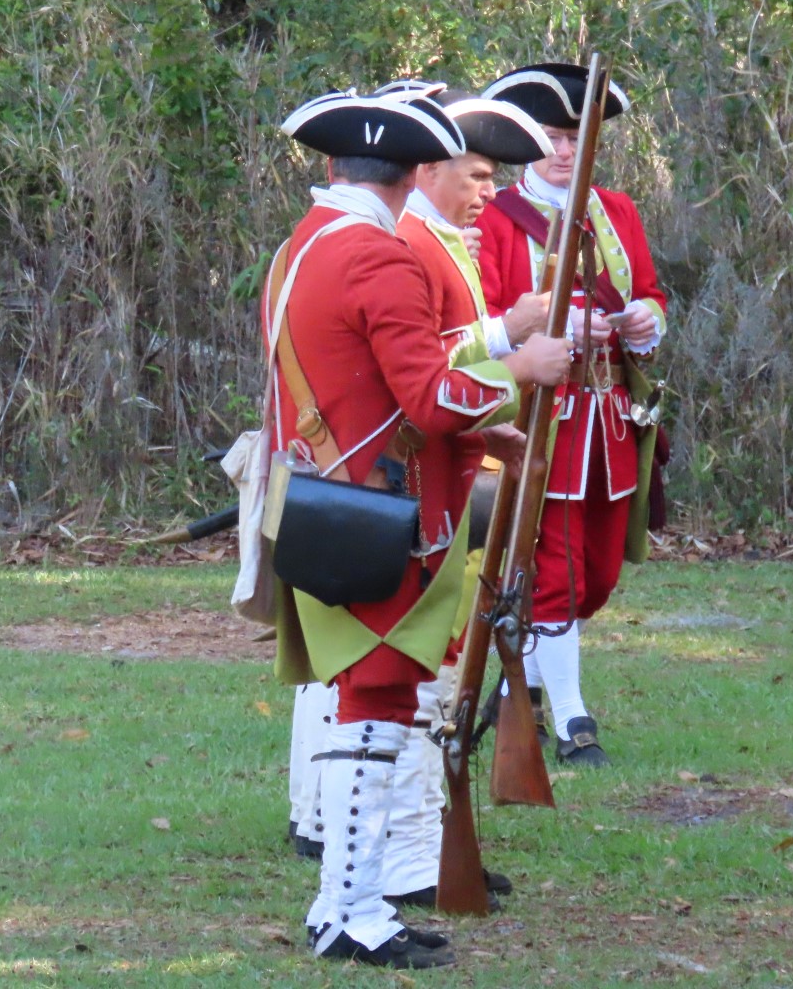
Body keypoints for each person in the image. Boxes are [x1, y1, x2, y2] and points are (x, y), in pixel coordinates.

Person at [268, 88, 572, 968]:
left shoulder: (307, 242)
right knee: (376, 708)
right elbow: (430, 395)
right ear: (410, 176)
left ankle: (348, 902)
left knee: (368, 705)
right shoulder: (377, 255)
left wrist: (482, 430)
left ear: (336, 166)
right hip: (384, 517)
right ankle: (349, 912)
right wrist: (521, 369)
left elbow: (365, 388)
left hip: (330, 505)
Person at [380, 86, 554, 913]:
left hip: (453, 471)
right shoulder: (411, 242)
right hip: (423, 484)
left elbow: (443, 358)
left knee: (442, 673)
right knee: (423, 679)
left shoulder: (439, 240)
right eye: (475, 174)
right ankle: (413, 856)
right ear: (427, 172)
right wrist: (513, 347)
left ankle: (422, 849)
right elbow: (424, 375)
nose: (490, 191)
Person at [475, 62, 668, 767]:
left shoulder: (616, 210)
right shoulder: (496, 217)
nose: (563, 151)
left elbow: (649, 294)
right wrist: (549, 335)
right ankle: (572, 722)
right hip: (538, 418)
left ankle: (517, 683)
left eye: (575, 138)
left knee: (598, 574)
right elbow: (481, 322)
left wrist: (644, 320)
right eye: (551, 137)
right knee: (556, 573)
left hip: (609, 421)